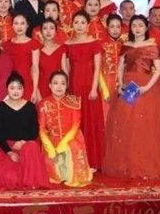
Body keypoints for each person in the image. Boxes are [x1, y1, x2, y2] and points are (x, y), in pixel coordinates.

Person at [102, 15, 160, 179]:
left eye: (140, 25)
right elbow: (120, 66)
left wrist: (147, 87)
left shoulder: (152, 45)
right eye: (134, 25)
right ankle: (126, 164)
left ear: (146, 27)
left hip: (145, 87)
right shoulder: (126, 45)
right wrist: (120, 84)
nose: (137, 28)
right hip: (128, 87)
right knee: (125, 124)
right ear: (130, 28)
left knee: (145, 125)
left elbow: (158, 70)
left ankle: (146, 162)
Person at [64, 11, 104, 170]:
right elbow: (67, 68)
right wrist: (67, 88)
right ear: (72, 25)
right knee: (76, 123)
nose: (79, 26)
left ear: (88, 25)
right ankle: (78, 161)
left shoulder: (94, 43)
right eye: (76, 22)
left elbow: (97, 67)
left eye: (82, 22)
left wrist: (94, 88)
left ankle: (93, 161)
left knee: (91, 122)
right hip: (74, 86)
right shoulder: (68, 44)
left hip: (89, 87)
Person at [0, 74, 50, 190]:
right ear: (7, 89)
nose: (16, 91)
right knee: (10, 178)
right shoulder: (0, 108)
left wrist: (22, 142)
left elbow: (34, 131)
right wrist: (9, 151)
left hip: (26, 145)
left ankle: (32, 181)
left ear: (23, 89)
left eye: (19, 88)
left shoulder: (30, 107)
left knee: (32, 146)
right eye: (12, 88)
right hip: (8, 147)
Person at [38, 71, 91, 187]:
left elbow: (75, 125)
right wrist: (50, 149)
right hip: (52, 139)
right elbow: (41, 129)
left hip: (72, 138)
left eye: (63, 83)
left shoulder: (73, 102)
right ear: (50, 85)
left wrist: (63, 144)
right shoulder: (43, 103)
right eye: (55, 83)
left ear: (67, 85)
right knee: (50, 161)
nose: (59, 87)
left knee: (72, 148)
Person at [1, 14, 41, 102]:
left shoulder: (34, 43)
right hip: (10, 84)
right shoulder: (5, 45)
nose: (19, 27)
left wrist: (35, 90)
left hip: (27, 84)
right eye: (16, 23)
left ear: (27, 25)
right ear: (12, 26)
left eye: (22, 23)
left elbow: (35, 68)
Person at [38, 19, 69, 98]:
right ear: (41, 32)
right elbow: (34, 72)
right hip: (42, 87)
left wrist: (67, 87)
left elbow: (65, 69)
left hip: (58, 86)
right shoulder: (36, 50)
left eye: (51, 28)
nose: (48, 31)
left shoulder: (62, 48)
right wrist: (36, 91)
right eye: (45, 28)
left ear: (56, 32)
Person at [99, 14, 124, 106]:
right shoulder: (100, 44)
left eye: (118, 27)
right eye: (112, 27)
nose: (115, 30)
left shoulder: (125, 44)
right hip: (106, 82)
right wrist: (104, 89)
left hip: (123, 81)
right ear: (107, 27)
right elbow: (97, 69)